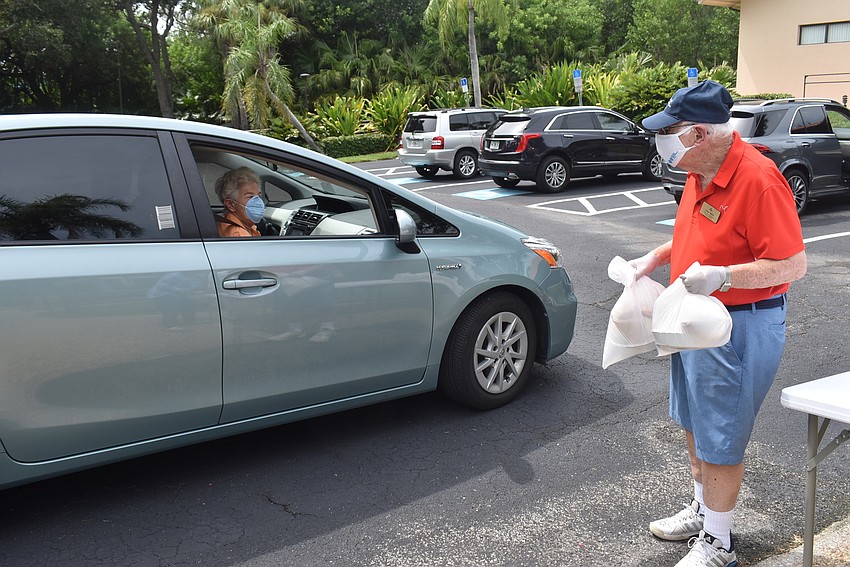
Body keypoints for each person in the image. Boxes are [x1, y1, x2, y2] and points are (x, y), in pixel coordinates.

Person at [628, 80, 807, 567]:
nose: (662, 142)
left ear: (699, 134)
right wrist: (656, 257)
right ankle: (704, 511)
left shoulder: (758, 179)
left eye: (670, 132)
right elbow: (696, 236)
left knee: (721, 435)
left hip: (739, 327)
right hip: (693, 319)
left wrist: (724, 277)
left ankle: (719, 543)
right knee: (694, 421)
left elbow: (791, 265)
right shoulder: (699, 173)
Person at [215, 166, 264, 237]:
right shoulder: (240, 235)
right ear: (230, 205)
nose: (258, 202)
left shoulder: (227, 223)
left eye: (258, 196)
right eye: (250, 197)